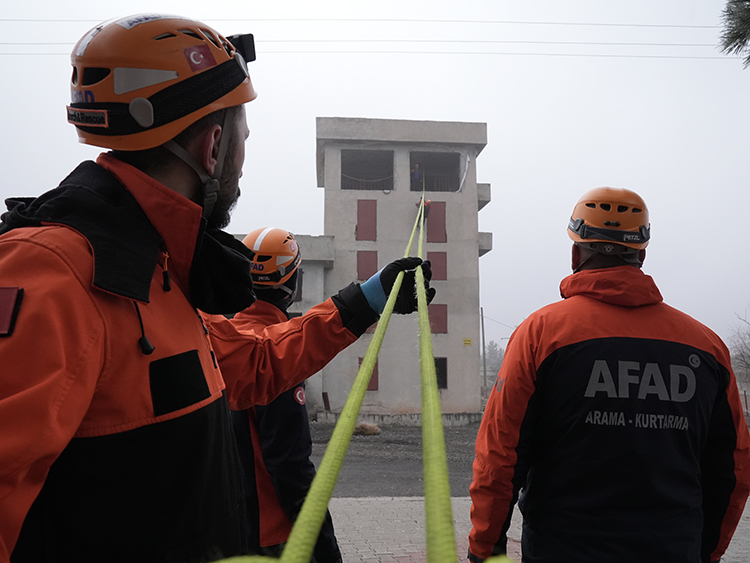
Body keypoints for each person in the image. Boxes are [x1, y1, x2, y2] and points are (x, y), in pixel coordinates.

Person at [0, 14, 433, 563]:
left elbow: (252, 363)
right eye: (241, 140)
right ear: (212, 146)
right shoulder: (52, 275)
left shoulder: (155, 275)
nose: (242, 162)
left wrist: (364, 300)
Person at [468, 187, 750, 563]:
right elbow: (733, 468)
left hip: (562, 548)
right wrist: (704, 553)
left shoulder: (541, 334)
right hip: (673, 549)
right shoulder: (707, 347)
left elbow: (500, 457)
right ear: (642, 254)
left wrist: (485, 551)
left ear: (575, 252)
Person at [231, 227, 342, 562]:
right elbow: (290, 467)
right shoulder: (276, 356)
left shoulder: (224, 341)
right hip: (272, 535)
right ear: (293, 285)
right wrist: (325, 549)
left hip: (229, 527)